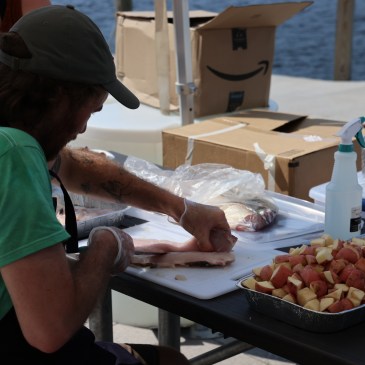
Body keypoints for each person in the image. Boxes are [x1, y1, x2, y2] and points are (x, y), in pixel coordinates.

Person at [0, 4, 237, 364]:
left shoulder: (13, 134)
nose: (81, 130)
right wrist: (105, 246)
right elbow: (50, 330)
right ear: (57, 96)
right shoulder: (13, 155)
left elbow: (73, 165)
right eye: (91, 111)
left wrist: (181, 208)